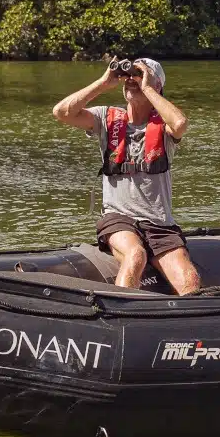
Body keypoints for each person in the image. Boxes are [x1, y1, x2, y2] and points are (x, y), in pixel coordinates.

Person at [51, 57, 201, 294]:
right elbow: (61, 112)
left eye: (139, 76)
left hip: (159, 223)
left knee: (189, 279)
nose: (132, 81)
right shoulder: (106, 118)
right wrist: (103, 83)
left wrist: (148, 86)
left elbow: (180, 124)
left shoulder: (164, 123)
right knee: (136, 255)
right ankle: (122, 314)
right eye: (128, 78)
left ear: (156, 85)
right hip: (119, 217)